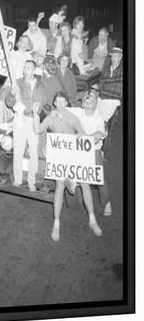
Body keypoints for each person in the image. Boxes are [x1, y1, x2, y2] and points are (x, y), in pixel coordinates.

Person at [33, 91, 89, 242]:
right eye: (57, 102)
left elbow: (83, 133)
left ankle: (70, 181)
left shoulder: (73, 117)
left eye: (63, 101)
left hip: (71, 155)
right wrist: (34, 114)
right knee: (59, 186)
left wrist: (79, 136)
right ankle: (56, 222)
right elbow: (38, 130)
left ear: (67, 103)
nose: (60, 104)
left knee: (61, 184)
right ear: (55, 103)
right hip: (58, 155)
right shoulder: (51, 117)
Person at [68, 89, 111, 217]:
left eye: (91, 99)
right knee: (67, 168)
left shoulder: (98, 117)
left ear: (96, 103)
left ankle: (107, 202)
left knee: (99, 177)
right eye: (86, 100)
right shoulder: (78, 112)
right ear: (82, 104)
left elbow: (99, 135)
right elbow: (64, 110)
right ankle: (74, 182)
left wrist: (85, 137)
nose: (88, 102)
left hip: (93, 150)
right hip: (77, 149)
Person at [5, 60, 45, 192]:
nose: (25, 70)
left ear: (34, 70)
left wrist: (37, 109)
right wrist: (11, 94)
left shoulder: (40, 84)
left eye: (28, 68)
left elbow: (42, 101)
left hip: (33, 120)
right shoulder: (17, 83)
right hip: (19, 120)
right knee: (18, 150)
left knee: (33, 152)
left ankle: (31, 182)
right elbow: (9, 103)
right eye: (24, 67)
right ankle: (17, 180)